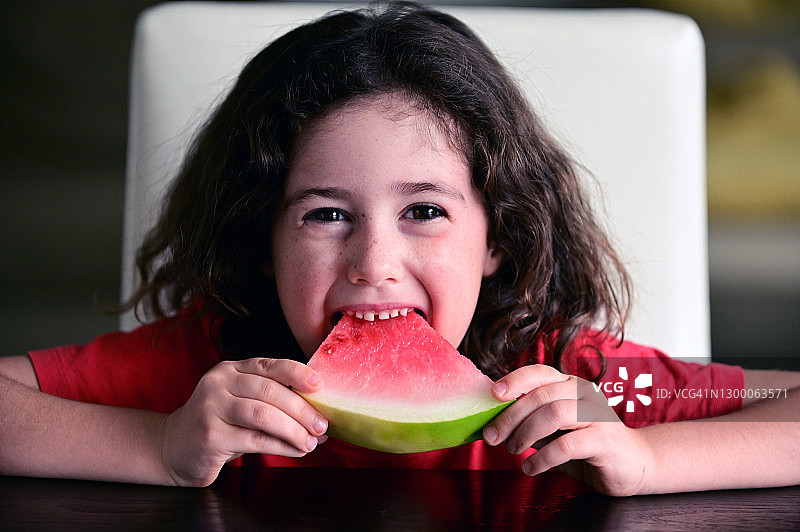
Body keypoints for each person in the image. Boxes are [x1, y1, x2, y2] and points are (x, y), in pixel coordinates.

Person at [1, 2, 798, 496]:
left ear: (500, 237)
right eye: (325, 215)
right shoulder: (211, 370)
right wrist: (158, 444)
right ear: (262, 241)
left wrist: (647, 460)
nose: (373, 262)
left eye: (423, 210)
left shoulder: (559, 377)